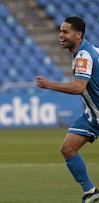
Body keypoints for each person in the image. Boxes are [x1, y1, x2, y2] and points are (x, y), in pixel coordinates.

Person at [36, 16, 99, 203]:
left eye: (65, 31)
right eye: (60, 31)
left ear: (78, 34)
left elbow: (79, 87)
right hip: (92, 115)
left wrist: (49, 85)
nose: (60, 35)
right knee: (68, 148)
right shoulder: (89, 49)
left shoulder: (84, 56)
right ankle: (91, 192)